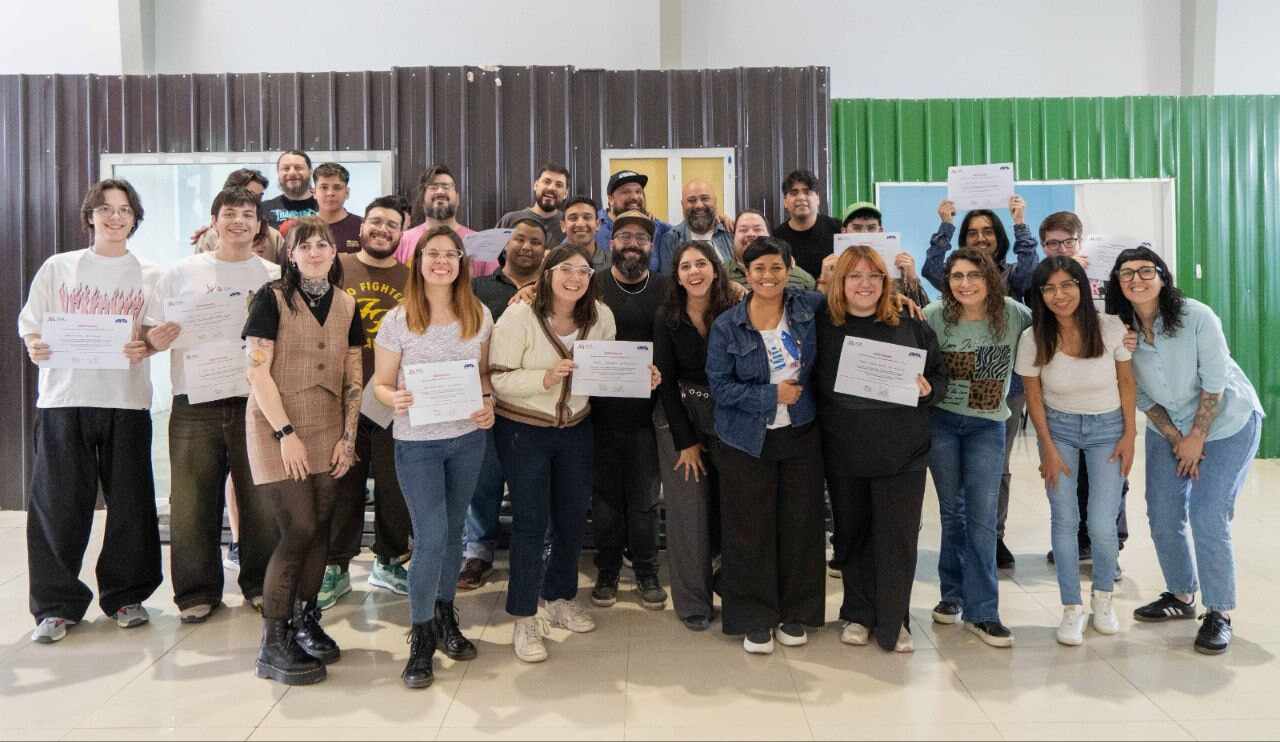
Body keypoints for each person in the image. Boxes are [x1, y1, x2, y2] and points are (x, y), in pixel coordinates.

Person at [19, 179, 162, 644]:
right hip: (64, 399)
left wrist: (147, 345)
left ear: (135, 219)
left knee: (131, 504)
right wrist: (35, 345)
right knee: (58, 505)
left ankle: (126, 596)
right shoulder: (59, 267)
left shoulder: (150, 273)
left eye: (124, 210)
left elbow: (154, 333)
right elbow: (31, 324)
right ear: (90, 216)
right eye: (105, 209)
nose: (115, 217)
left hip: (125, 399)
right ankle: (56, 607)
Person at [1107, 246, 1265, 655]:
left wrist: (1196, 436)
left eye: (1146, 270)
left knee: (1207, 513)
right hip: (1169, 427)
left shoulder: (1197, 316)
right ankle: (1180, 594)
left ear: (1163, 277)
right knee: (1162, 512)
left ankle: (1219, 611)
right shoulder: (1120, 332)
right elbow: (1139, 394)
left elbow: (1215, 381)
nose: (1137, 279)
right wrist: (1177, 438)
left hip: (1227, 422)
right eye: (1127, 273)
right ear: (1118, 283)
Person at [145, 186, 282, 622]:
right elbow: (150, 331)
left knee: (260, 499)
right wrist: (155, 339)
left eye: (248, 214)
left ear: (259, 225)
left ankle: (260, 585)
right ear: (214, 221)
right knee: (191, 503)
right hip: (194, 401)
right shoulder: (182, 272)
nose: (239, 221)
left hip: (254, 401)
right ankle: (195, 592)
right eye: (230, 213)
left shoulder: (274, 276)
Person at [371, 226, 494, 688]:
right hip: (418, 444)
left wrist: (488, 403)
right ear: (418, 261)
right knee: (431, 535)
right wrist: (394, 397)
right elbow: (382, 385)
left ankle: (445, 616)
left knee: (456, 531)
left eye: (450, 254)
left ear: (462, 263)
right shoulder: (398, 319)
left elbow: (484, 374)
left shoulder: (478, 313)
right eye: (433, 254)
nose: (441, 261)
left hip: (467, 438)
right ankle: (421, 634)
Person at [243, 217, 364, 685]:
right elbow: (257, 371)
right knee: (299, 529)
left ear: (334, 252)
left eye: (322, 245)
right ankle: (272, 643)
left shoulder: (347, 304)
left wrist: (348, 438)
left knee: (321, 532)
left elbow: (353, 376)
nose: (315, 252)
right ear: (290, 255)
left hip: (328, 426)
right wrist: (285, 433)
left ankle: (304, 620)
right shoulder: (270, 298)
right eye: (305, 246)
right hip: (277, 424)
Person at [489, 245, 619, 662]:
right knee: (530, 522)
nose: (575, 278)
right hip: (523, 430)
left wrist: (638, 377)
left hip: (576, 429)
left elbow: (606, 370)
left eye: (584, 271)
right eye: (566, 269)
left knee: (571, 518)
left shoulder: (600, 316)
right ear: (547, 273)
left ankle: (560, 596)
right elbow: (497, 377)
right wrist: (543, 378)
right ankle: (525, 614)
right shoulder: (519, 316)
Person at [814, 245, 945, 654]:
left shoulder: (909, 320)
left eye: (874, 275)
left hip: (902, 452)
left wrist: (928, 391)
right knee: (852, 536)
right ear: (840, 282)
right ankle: (857, 613)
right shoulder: (822, 323)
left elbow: (939, 376)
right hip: (845, 452)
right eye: (855, 276)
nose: (865, 284)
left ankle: (894, 620)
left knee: (897, 539)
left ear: (886, 281)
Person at [706, 236, 826, 655]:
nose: (768, 276)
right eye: (759, 268)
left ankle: (795, 613)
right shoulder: (727, 325)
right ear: (746, 271)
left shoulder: (808, 308)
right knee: (748, 530)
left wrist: (901, 297)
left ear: (789, 269)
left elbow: (851, 304)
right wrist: (771, 395)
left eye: (776, 267)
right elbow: (720, 387)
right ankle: (754, 618)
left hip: (800, 432)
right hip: (745, 439)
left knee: (800, 525)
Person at [1017, 256, 1135, 647]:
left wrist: (1130, 435)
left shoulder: (1110, 327)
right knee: (1064, 519)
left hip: (1108, 429)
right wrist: (1047, 448)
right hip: (1059, 429)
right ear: (1040, 295)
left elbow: (1126, 383)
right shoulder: (1033, 337)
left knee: (1101, 523)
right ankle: (1071, 607)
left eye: (1067, 284)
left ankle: (1103, 598)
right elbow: (1033, 397)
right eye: (1049, 288)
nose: (1059, 295)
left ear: (1083, 287)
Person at [923, 247, 1031, 648]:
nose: (965, 284)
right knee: (952, 513)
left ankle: (983, 611)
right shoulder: (933, 316)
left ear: (989, 279)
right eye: (957, 276)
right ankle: (951, 595)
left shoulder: (1015, 315)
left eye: (974, 275)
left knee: (982, 518)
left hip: (987, 426)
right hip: (942, 424)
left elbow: (1055, 331)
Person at [923, 195, 1038, 569]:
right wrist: (945, 224)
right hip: (954, 390)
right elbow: (932, 269)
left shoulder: (1012, 278)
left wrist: (1020, 223)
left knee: (993, 474)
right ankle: (960, 568)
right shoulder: (946, 297)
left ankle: (994, 538)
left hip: (1003, 386)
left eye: (988, 231)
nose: (981, 237)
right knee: (955, 494)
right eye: (972, 232)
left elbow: (1031, 272)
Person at [322, 196, 413, 609]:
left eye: (392, 224)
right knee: (343, 485)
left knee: (396, 487)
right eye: (376, 221)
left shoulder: (411, 278)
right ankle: (336, 567)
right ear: (362, 226)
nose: (382, 229)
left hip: (393, 399)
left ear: (401, 233)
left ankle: (389, 561)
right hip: (342, 397)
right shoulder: (336, 266)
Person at [458, 218, 549, 590]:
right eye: (519, 239)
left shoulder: (552, 290)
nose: (527, 247)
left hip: (532, 404)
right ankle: (478, 552)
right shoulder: (477, 288)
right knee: (483, 481)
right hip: (486, 401)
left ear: (545, 251)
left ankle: (535, 553)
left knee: (533, 485)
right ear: (505, 245)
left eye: (536, 242)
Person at [654, 240, 738, 631]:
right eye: (685, 266)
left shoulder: (736, 309)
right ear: (677, 276)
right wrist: (685, 442)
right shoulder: (667, 316)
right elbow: (666, 383)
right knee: (689, 512)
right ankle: (693, 604)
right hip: (680, 416)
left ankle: (733, 589)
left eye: (701, 263)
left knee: (734, 507)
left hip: (729, 416)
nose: (694, 272)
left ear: (715, 269)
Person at [1038, 211, 1130, 565]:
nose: (1061, 248)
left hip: (1107, 392)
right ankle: (1078, 542)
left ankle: (1110, 548)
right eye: (1053, 243)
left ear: (1080, 240)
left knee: (1110, 478)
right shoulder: (1044, 281)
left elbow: (1128, 315)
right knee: (1071, 477)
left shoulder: (1105, 275)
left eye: (1067, 241)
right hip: (1064, 396)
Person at [589, 211, 670, 612]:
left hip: (648, 416)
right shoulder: (594, 285)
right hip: (598, 414)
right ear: (612, 243)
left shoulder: (667, 288)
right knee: (605, 500)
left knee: (644, 500)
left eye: (641, 237)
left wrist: (661, 371)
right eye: (625, 236)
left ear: (651, 246)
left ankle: (646, 571)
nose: (633, 243)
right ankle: (606, 572)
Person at [395, 165, 495, 276]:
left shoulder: (481, 244)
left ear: (457, 198)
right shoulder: (401, 242)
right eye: (433, 187)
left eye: (446, 187)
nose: (440, 191)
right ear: (422, 199)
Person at [839, 201, 928, 307]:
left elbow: (923, 310)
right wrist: (825, 280)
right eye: (857, 228)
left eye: (871, 228)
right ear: (844, 232)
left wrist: (912, 278)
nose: (865, 233)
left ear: (880, 231)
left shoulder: (898, 265)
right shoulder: (833, 265)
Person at [194, 168, 283, 261]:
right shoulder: (210, 238)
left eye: (259, 196)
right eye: (250, 194)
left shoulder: (274, 237)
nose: (255, 201)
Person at [595, 170, 671, 273]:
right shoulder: (593, 227)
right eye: (626, 192)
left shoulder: (659, 229)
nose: (634, 197)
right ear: (611, 199)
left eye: (638, 192)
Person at [773, 169, 842, 279]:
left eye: (807, 192)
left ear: (817, 198)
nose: (801, 197)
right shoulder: (776, 238)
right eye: (794, 193)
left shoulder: (838, 229)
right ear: (785, 201)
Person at [655, 180, 735, 273]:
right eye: (691, 200)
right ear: (682, 205)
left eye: (705, 199)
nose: (699, 205)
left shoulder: (730, 232)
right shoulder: (671, 239)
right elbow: (669, 280)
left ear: (715, 202)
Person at [725, 210, 816, 290]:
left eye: (757, 229)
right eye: (743, 230)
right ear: (733, 237)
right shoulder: (721, 276)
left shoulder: (801, 279)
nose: (751, 234)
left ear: (770, 237)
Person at [281, 163, 362, 253]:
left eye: (337, 187)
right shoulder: (298, 228)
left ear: (347, 193)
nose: (330, 193)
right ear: (314, 192)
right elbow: (286, 260)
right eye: (324, 187)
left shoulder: (362, 226)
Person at [496, 163, 570, 247]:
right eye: (547, 182)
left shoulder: (569, 225)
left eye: (559, 185)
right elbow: (491, 253)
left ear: (566, 193)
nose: (551, 188)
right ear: (535, 185)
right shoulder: (509, 221)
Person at [260, 149, 318, 228]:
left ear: (310, 171)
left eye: (298, 168)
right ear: (278, 172)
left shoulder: (325, 207)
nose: (292, 173)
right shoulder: (264, 209)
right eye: (286, 168)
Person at [560, 195, 610, 272]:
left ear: (598, 224)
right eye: (573, 218)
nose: (580, 224)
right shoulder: (552, 262)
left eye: (587, 217)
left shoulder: (613, 264)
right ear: (563, 226)